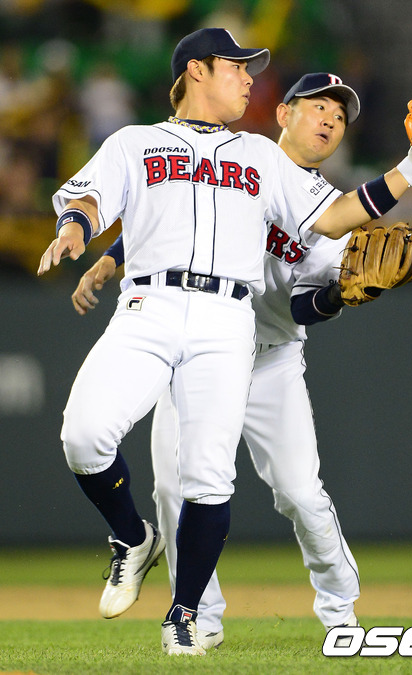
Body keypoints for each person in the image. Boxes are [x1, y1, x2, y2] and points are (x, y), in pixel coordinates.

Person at [37, 27, 412, 657]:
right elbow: (112, 199)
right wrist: (85, 236)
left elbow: (332, 223)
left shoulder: (262, 160)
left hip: (242, 331)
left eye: (339, 115)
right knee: (95, 443)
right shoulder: (139, 142)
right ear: (197, 70)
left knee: (232, 483)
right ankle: (141, 548)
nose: (250, 77)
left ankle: (203, 614)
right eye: (238, 66)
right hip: (152, 307)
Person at [72, 72, 363, 652]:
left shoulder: (335, 216)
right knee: (173, 490)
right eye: (319, 107)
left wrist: (336, 295)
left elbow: (304, 308)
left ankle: (340, 610)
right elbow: (173, 218)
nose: (330, 120)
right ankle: (198, 617)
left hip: (270, 359)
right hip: (187, 348)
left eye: (340, 115)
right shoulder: (240, 163)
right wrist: (111, 258)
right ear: (284, 114)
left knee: (301, 494)